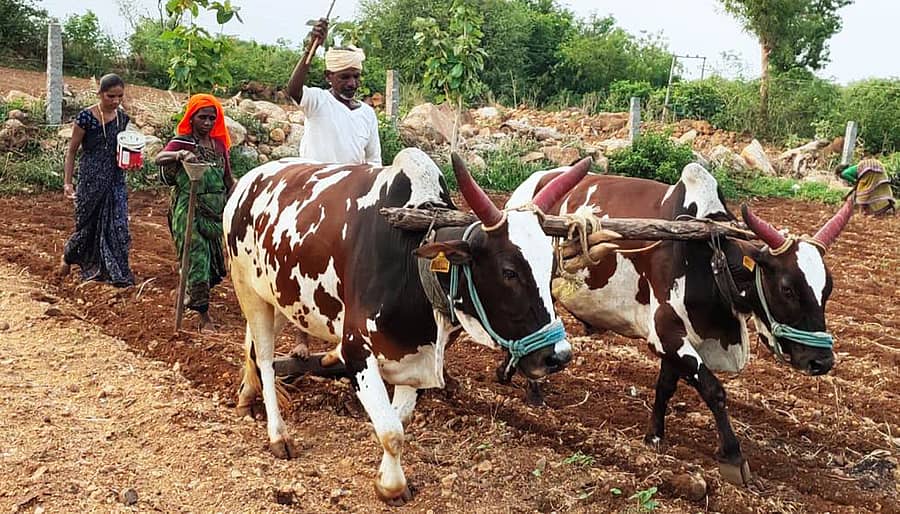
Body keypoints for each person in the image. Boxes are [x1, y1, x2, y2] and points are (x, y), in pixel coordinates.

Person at [155, 94, 234, 331]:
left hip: (214, 212)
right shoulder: (183, 142)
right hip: (189, 209)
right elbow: (159, 158)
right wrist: (179, 155)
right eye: (202, 117)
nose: (207, 122)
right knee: (197, 258)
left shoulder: (219, 146)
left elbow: (227, 179)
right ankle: (203, 316)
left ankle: (188, 292)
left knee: (212, 265)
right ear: (192, 118)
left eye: (211, 118)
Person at [59, 73, 135, 287]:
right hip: (90, 179)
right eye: (111, 96)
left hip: (115, 179)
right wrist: (68, 182)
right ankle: (68, 256)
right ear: (100, 93)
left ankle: (115, 273)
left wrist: (132, 161)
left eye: (120, 96)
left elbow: (123, 150)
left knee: (118, 226)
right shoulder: (86, 118)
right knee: (87, 226)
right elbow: (72, 151)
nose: (116, 101)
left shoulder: (122, 119)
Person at [286, 18, 382, 166]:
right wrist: (311, 48)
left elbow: (373, 161)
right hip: (315, 179)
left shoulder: (367, 113)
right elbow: (293, 90)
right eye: (345, 77)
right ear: (328, 76)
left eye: (356, 76)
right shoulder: (318, 101)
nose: (352, 83)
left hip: (351, 181)